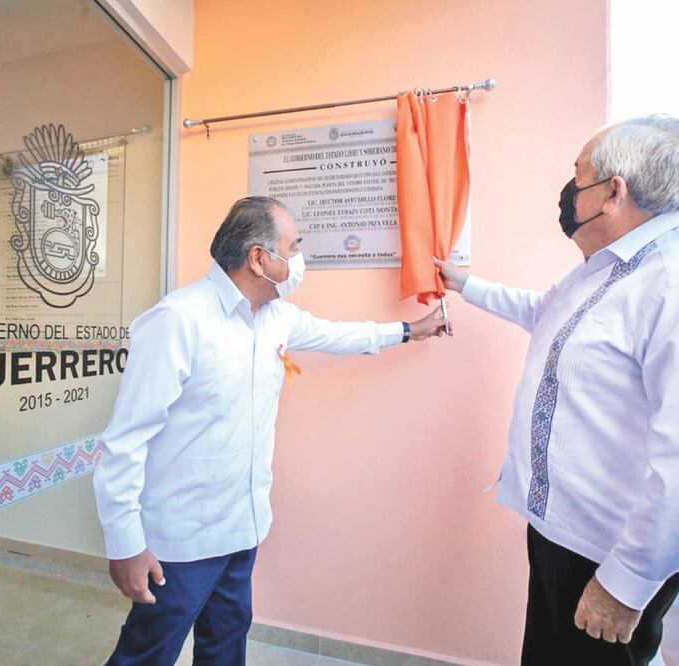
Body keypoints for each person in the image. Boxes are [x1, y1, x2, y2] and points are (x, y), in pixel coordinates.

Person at [93, 196, 449, 665]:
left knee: (225, 647)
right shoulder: (178, 321)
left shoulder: (277, 315)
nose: (299, 258)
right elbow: (124, 442)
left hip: (242, 528)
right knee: (146, 655)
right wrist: (125, 545)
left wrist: (409, 330)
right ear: (260, 259)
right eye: (293, 246)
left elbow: (342, 335)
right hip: (179, 541)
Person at [434, 115, 679, 666]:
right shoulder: (605, 269)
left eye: (578, 176)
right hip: (558, 531)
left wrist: (627, 583)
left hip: (608, 557)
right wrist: (465, 284)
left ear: (613, 192)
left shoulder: (667, 282)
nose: (569, 191)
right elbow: (543, 313)